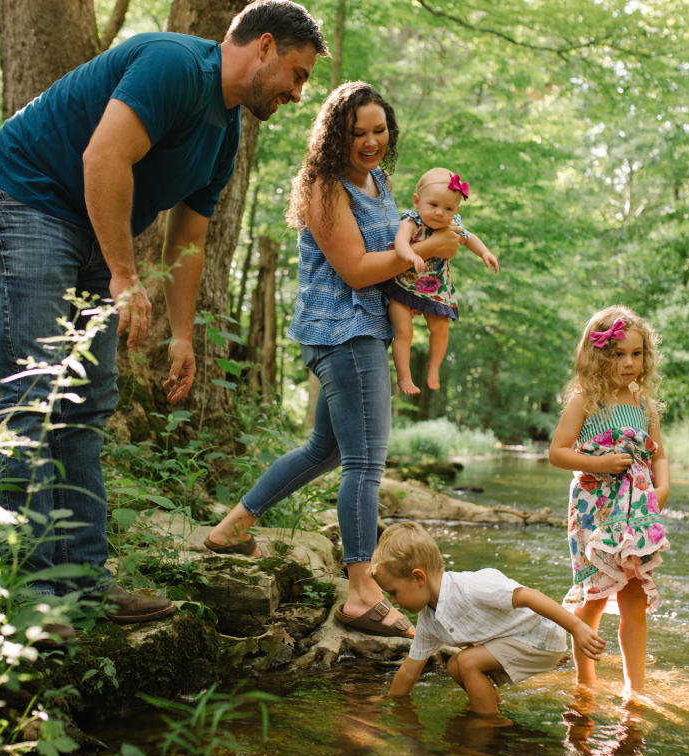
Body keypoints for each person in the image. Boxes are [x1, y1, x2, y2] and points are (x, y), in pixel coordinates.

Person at [0, 1, 327, 640]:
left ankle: (82, 581)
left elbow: (190, 237)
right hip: (24, 199)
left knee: (86, 403)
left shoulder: (226, 132)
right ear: (264, 46)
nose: (299, 94)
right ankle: (29, 594)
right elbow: (104, 158)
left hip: (93, 233)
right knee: (37, 390)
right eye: (297, 75)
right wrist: (125, 278)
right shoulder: (174, 64)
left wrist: (182, 337)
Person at [200, 82, 464, 638]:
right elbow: (355, 271)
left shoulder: (382, 181)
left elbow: (396, 250)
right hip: (343, 331)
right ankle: (362, 591)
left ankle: (231, 527)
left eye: (379, 130)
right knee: (365, 464)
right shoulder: (324, 186)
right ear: (334, 134)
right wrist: (429, 255)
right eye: (357, 132)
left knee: (324, 450)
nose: (370, 142)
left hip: (364, 330)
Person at [547, 306, 671, 699]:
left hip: (636, 516)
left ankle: (635, 691)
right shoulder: (586, 401)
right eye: (619, 355)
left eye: (636, 354)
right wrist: (598, 462)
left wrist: (662, 491)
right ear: (599, 356)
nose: (629, 363)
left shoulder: (643, 404)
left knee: (634, 602)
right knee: (596, 596)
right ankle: (586, 683)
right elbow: (558, 452)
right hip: (594, 513)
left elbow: (659, 455)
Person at [372, 522, 606, 716]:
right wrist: (389, 706)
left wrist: (576, 627)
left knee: (467, 662)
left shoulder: (471, 588)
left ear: (418, 578)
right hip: (513, 641)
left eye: (393, 592)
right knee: (455, 666)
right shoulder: (429, 620)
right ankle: (495, 707)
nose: (392, 601)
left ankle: (488, 723)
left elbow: (528, 596)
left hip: (539, 638)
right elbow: (409, 672)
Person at [384, 168, 499, 394]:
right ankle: (404, 377)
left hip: (434, 287)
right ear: (417, 201)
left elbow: (469, 238)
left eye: (448, 208)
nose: (439, 213)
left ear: (456, 210)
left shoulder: (452, 224)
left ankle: (434, 367)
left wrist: (484, 252)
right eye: (433, 205)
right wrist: (410, 255)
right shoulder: (412, 221)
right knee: (403, 331)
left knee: (440, 328)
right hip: (403, 283)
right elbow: (400, 242)